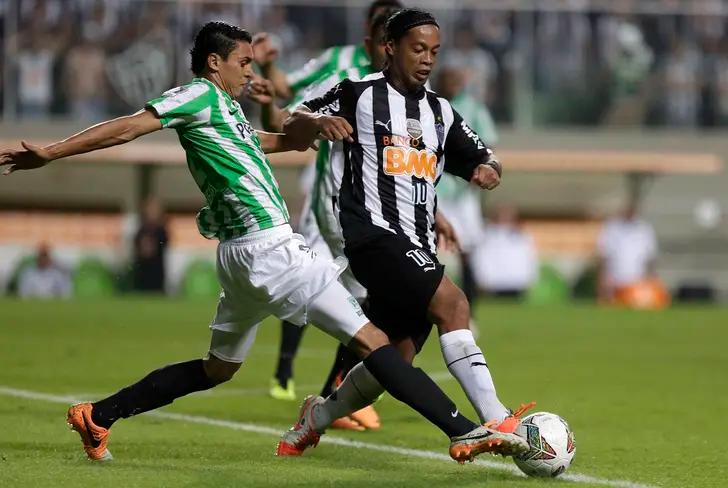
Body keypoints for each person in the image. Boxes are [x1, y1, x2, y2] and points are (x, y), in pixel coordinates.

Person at [0, 21, 499, 465]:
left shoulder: (228, 113)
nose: (248, 71)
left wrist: (311, 126)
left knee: (217, 369)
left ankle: (99, 414)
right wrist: (51, 152)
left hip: (239, 258)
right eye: (242, 62)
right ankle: (464, 429)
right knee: (374, 341)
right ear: (214, 62)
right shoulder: (196, 95)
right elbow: (130, 126)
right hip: (271, 249)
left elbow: (276, 142)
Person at [277, 9, 534, 459]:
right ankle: (496, 418)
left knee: (394, 358)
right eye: (418, 49)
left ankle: (315, 417)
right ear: (390, 47)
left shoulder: (440, 111)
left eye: (434, 51)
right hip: (371, 235)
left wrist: (485, 170)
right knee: (453, 304)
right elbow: (289, 120)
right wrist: (318, 125)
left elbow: (484, 155)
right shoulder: (356, 93)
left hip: (416, 242)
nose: (427, 60)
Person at [252, 1, 400, 425]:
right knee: (336, 293)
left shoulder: (408, 90)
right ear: (372, 39)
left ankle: (335, 394)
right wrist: (273, 84)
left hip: (376, 209)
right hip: (334, 205)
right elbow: (287, 106)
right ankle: (317, 386)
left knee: (358, 299)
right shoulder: (343, 71)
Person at [434, 64, 498, 309]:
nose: (454, 85)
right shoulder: (425, 103)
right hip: (433, 190)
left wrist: (483, 171)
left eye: (457, 81)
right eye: (449, 80)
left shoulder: (473, 108)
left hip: (463, 194)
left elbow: (488, 146)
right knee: (428, 248)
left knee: (467, 250)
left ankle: (469, 309)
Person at [256, 0, 402, 101]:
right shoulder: (336, 58)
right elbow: (286, 88)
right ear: (368, 26)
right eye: (381, 21)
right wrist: (267, 65)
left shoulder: (415, 79)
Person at [597, 204, 667, 308]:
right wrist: (604, 278)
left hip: (637, 280)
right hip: (616, 278)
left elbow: (650, 256)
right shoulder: (612, 227)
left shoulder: (644, 228)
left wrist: (652, 278)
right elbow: (605, 254)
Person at [472, 205, 538, 299]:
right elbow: (481, 258)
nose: (505, 221)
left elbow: (530, 258)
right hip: (494, 283)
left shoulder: (522, 236)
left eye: (509, 218)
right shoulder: (486, 236)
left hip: (516, 282)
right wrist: (482, 278)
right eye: (503, 217)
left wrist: (530, 278)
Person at [132, 198, 168, 293]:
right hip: (142, 273)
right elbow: (136, 246)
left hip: (156, 273)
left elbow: (165, 243)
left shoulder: (161, 230)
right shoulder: (141, 230)